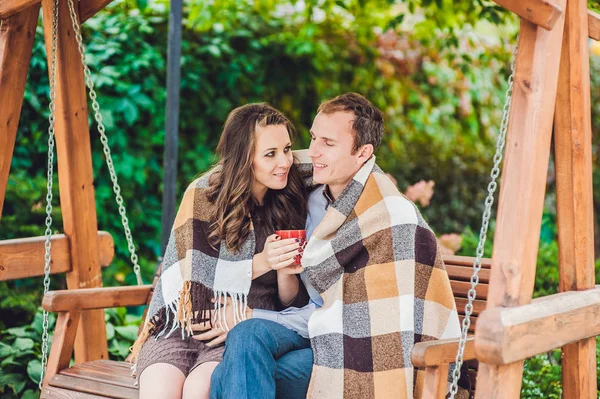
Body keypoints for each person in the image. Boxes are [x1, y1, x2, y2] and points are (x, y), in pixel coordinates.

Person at [210, 93, 466, 399]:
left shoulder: (389, 219)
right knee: (245, 336)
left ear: (362, 153)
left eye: (328, 144)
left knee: (229, 374)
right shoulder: (314, 200)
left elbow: (358, 322)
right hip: (310, 331)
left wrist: (252, 314)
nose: (313, 152)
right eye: (313, 138)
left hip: (354, 347)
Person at [131, 103, 311, 399]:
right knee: (158, 392)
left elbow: (288, 301)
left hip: (236, 331)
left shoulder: (288, 200)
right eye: (270, 154)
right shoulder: (203, 196)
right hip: (182, 328)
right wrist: (263, 261)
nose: (285, 162)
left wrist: (284, 270)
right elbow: (193, 279)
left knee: (197, 391)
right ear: (243, 158)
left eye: (287, 149)